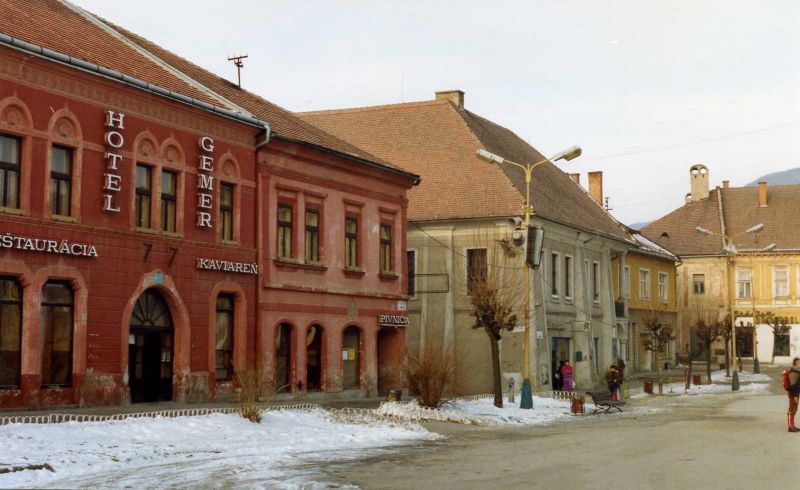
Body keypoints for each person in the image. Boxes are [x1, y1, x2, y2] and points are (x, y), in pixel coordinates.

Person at [786, 357, 800, 433]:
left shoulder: (797, 371)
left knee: (794, 409)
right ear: (796, 363)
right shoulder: (793, 372)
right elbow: (793, 385)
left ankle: (792, 425)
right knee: (791, 409)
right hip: (793, 393)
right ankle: (790, 426)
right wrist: (795, 395)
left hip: (795, 393)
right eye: (799, 362)